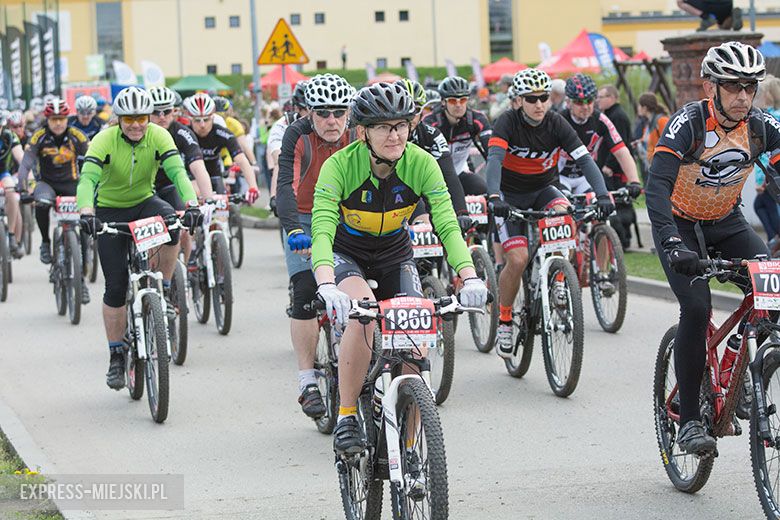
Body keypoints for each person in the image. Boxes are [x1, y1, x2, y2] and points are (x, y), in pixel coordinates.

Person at [309, 82, 488, 453]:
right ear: (363, 132)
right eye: (383, 127)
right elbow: (323, 228)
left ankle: (407, 446)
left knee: (415, 342)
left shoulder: (421, 162)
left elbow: (447, 224)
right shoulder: (339, 166)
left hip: (394, 252)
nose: (395, 135)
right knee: (364, 318)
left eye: (401, 125)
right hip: (348, 254)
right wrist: (326, 283)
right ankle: (345, 416)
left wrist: (468, 274)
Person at [645, 42, 780, 455]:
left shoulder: (760, 127)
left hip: (726, 221)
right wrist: (669, 242)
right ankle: (687, 420)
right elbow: (657, 187)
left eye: (750, 88)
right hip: (680, 225)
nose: (743, 96)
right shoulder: (686, 124)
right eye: (733, 87)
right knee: (698, 306)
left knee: (770, 293)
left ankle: (736, 371)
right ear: (711, 86)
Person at [76, 86, 203, 390]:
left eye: (142, 118)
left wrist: (192, 204)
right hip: (109, 210)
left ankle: (166, 284)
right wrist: (86, 211)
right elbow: (88, 179)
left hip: (145, 202)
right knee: (116, 287)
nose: (136, 124)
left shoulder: (159, 136)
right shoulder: (103, 140)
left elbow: (178, 173)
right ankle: (116, 356)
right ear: (118, 119)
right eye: (129, 118)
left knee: (172, 223)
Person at [485, 68, 614, 358]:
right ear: (518, 101)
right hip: (509, 195)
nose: (539, 104)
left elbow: (585, 160)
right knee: (517, 260)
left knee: (564, 215)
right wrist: (494, 196)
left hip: (544, 189)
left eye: (544, 97)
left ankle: (559, 277)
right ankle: (505, 318)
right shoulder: (506, 122)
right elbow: (494, 160)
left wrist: (603, 194)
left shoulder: (556, 123)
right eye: (532, 99)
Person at [275, 73, 355, 419]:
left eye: (339, 112)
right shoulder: (297, 135)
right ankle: (308, 380)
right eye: (323, 113)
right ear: (309, 112)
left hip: (347, 217)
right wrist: (293, 230)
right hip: (306, 219)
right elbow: (284, 187)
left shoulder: (360, 133)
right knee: (305, 289)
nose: (332, 121)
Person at [17, 99, 91, 284]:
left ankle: (84, 258)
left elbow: (92, 158)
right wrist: (22, 186)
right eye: (53, 119)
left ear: (67, 118)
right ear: (47, 119)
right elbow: (26, 163)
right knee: (41, 203)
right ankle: (45, 242)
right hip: (47, 184)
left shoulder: (77, 135)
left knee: (85, 216)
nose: (58, 123)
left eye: (61, 119)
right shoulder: (38, 136)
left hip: (72, 184)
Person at [147, 86, 215, 265]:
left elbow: (198, 167)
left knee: (184, 225)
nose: (162, 116)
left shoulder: (182, 133)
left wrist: (208, 199)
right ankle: (154, 268)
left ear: (174, 111)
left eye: (166, 111)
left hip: (172, 185)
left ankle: (187, 265)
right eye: (156, 112)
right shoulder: (140, 134)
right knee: (152, 234)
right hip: (147, 188)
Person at [397, 78, 469, 227]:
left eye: (415, 110)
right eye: (403, 109)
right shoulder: (381, 136)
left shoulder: (432, 135)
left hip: (419, 192)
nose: (409, 116)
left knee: (430, 223)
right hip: (386, 194)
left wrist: (462, 212)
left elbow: (449, 175)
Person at [558, 74, 642, 197]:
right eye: (579, 102)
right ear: (568, 103)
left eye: (589, 101)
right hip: (560, 176)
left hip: (585, 177)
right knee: (564, 210)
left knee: (599, 210)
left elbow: (621, 151)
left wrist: (635, 181)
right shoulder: (559, 120)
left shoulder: (601, 120)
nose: (586, 107)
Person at [183, 93, 260, 202]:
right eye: (197, 120)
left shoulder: (221, 133)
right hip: (190, 177)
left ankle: (222, 218)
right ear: (190, 119)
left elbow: (241, 159)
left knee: (222, 209)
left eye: (206, 119)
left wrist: (253, 187)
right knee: (196, 198)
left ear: (213, 117)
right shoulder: (183, 133)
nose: (202, 125)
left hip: (215, 174)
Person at [423, 76, 492, 195]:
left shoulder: (477, 119)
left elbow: (491, 154)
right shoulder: (429, 122)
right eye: (453, 101)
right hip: (434, 177)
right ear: (443, 102)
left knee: (484, 191)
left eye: (463, 100)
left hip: (459, 173)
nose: (459, 105)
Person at [267, 80, 309, 214]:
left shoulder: (329, 123)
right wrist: (274, 196)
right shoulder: (283, 125)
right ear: (296, 108)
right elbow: (280, 161)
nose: (312, 115)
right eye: (307, 109)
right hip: (295, 187)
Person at [753, 76, 780, 248]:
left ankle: (774, 240)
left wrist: (764, 180)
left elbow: (770, 151)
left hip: (770, 171)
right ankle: (773, 240)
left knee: (766, 204)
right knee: (763, 204)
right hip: (768, 171)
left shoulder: (770, 117)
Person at [0, 112, 24, 259]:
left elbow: (21, 157)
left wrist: (28, 174)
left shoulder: (9, 136)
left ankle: (11, 236)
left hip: (3, 173)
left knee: (12, 194)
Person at [677, 0, 742, 31]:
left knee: (680, 2)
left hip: (709, 5)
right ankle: (731, 14)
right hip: (727, 5)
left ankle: (705, 17)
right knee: (723, 26)